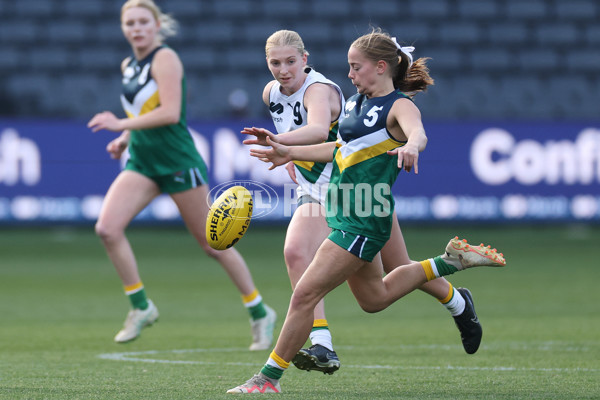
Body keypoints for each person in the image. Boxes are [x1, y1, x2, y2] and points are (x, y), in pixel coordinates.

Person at [227, 29, 507, 393]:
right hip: (349, 210)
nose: (349, 75)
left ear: (379, 67)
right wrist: (288, 152)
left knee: (304, 295)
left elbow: (418, 132)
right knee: (373, 299)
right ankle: (448, 262)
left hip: (362, 214)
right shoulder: (355, 107)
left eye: (355, 67)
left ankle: (267, 379)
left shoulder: (398, 105)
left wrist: (413, 147)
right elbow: (337, 151)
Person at [86, 0, 276, 349]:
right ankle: (141, 307)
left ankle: (260, 311)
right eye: (130, 23)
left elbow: (171, 112)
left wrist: (120, 124)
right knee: (107, 229)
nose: (137, 28)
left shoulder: (165, 58)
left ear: (157, 25)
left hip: (176, 161)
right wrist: (125, 138)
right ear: (123, 27)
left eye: (144, 21)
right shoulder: (129, 63)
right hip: (143, 162)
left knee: (213, 244)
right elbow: (144, 108)